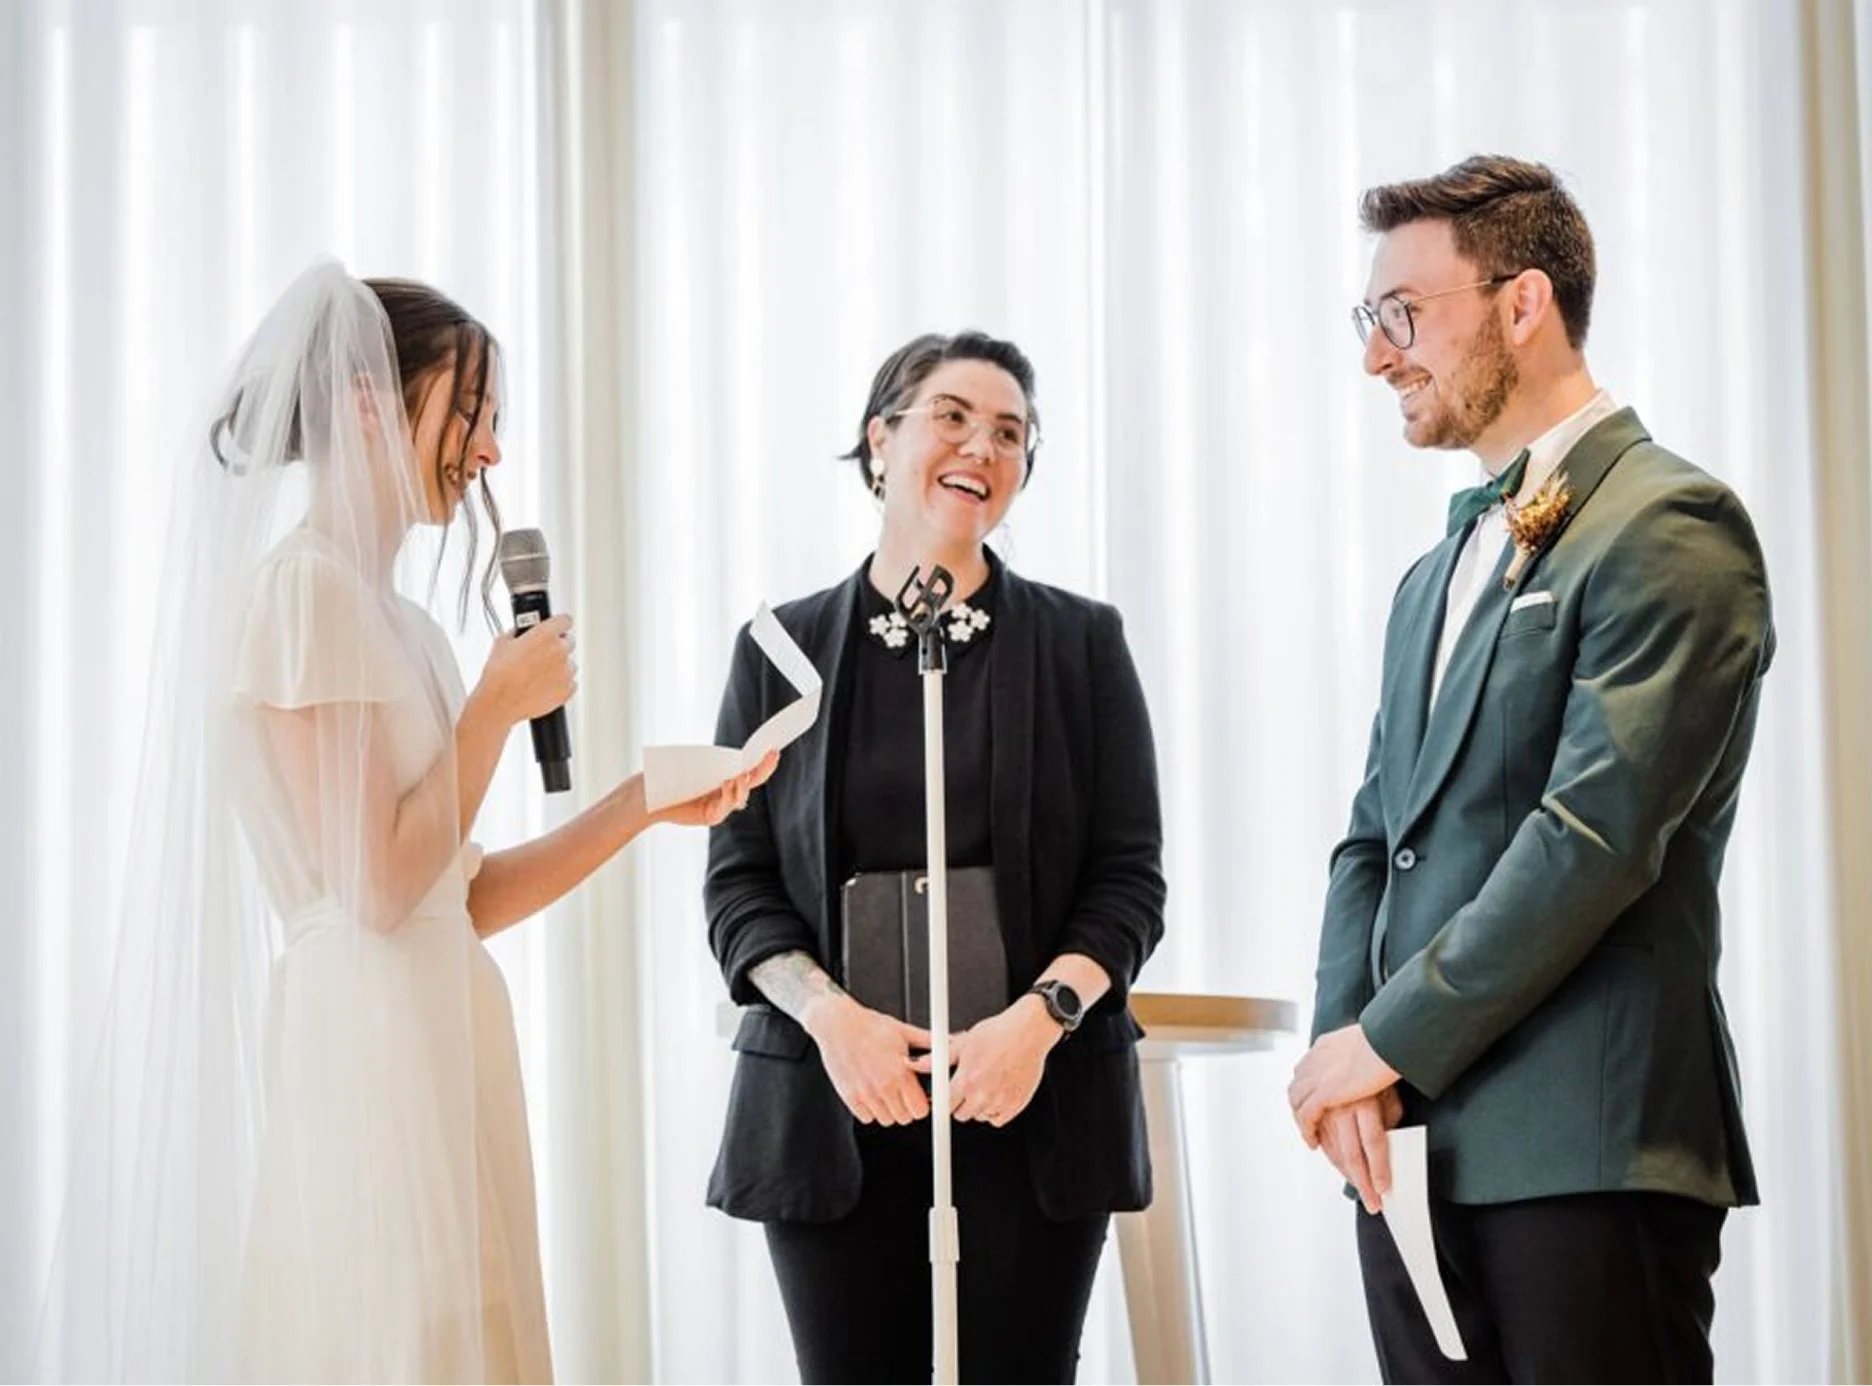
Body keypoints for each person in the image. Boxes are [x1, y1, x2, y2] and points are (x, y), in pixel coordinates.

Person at [38, 262, 772, 1383]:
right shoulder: (301, 592)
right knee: (396, 1340)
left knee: (472, 1333)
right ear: (372, 400)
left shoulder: (415, 630)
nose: (488, 454)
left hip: (444, 1025)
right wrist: (493, 708)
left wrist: (641, 803)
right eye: (471, 415)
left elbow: (456, 896)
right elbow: (377, 886)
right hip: (367, 1046)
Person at [1289, 155, 1775, 1383]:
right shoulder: (1428, 576)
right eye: (1369, 322)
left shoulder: (1671, 523)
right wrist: (1346, 1055)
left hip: (1586, 1153)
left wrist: (1386, 1036)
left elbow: (1593, 837)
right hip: (1407, 1155)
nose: (1376, 356)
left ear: (1523, 304)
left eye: (1401, 315)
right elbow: (1371, 836)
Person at [703, 331, 1166, 1383]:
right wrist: (833, 1022)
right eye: (952, 416)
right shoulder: (776, 650)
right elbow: (738, 886)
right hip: (835, 1100)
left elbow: (1130, 879)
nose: (982, 447)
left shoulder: (1082, 645)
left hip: (1029, 1094)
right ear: (881, 440)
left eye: (1011, 432)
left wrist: (1038, 1023)